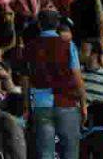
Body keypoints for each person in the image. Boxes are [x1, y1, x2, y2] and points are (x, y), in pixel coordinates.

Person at [23, 10, 86, 159]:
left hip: (41, 103)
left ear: (39, 25)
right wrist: (83, 103)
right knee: (70, 151)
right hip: (66, 102)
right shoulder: (68, 45)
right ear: (57, 24)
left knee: (45, 153)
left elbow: (25, 80)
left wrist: (27, 106)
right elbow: (77, 77)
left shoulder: (29, 47)